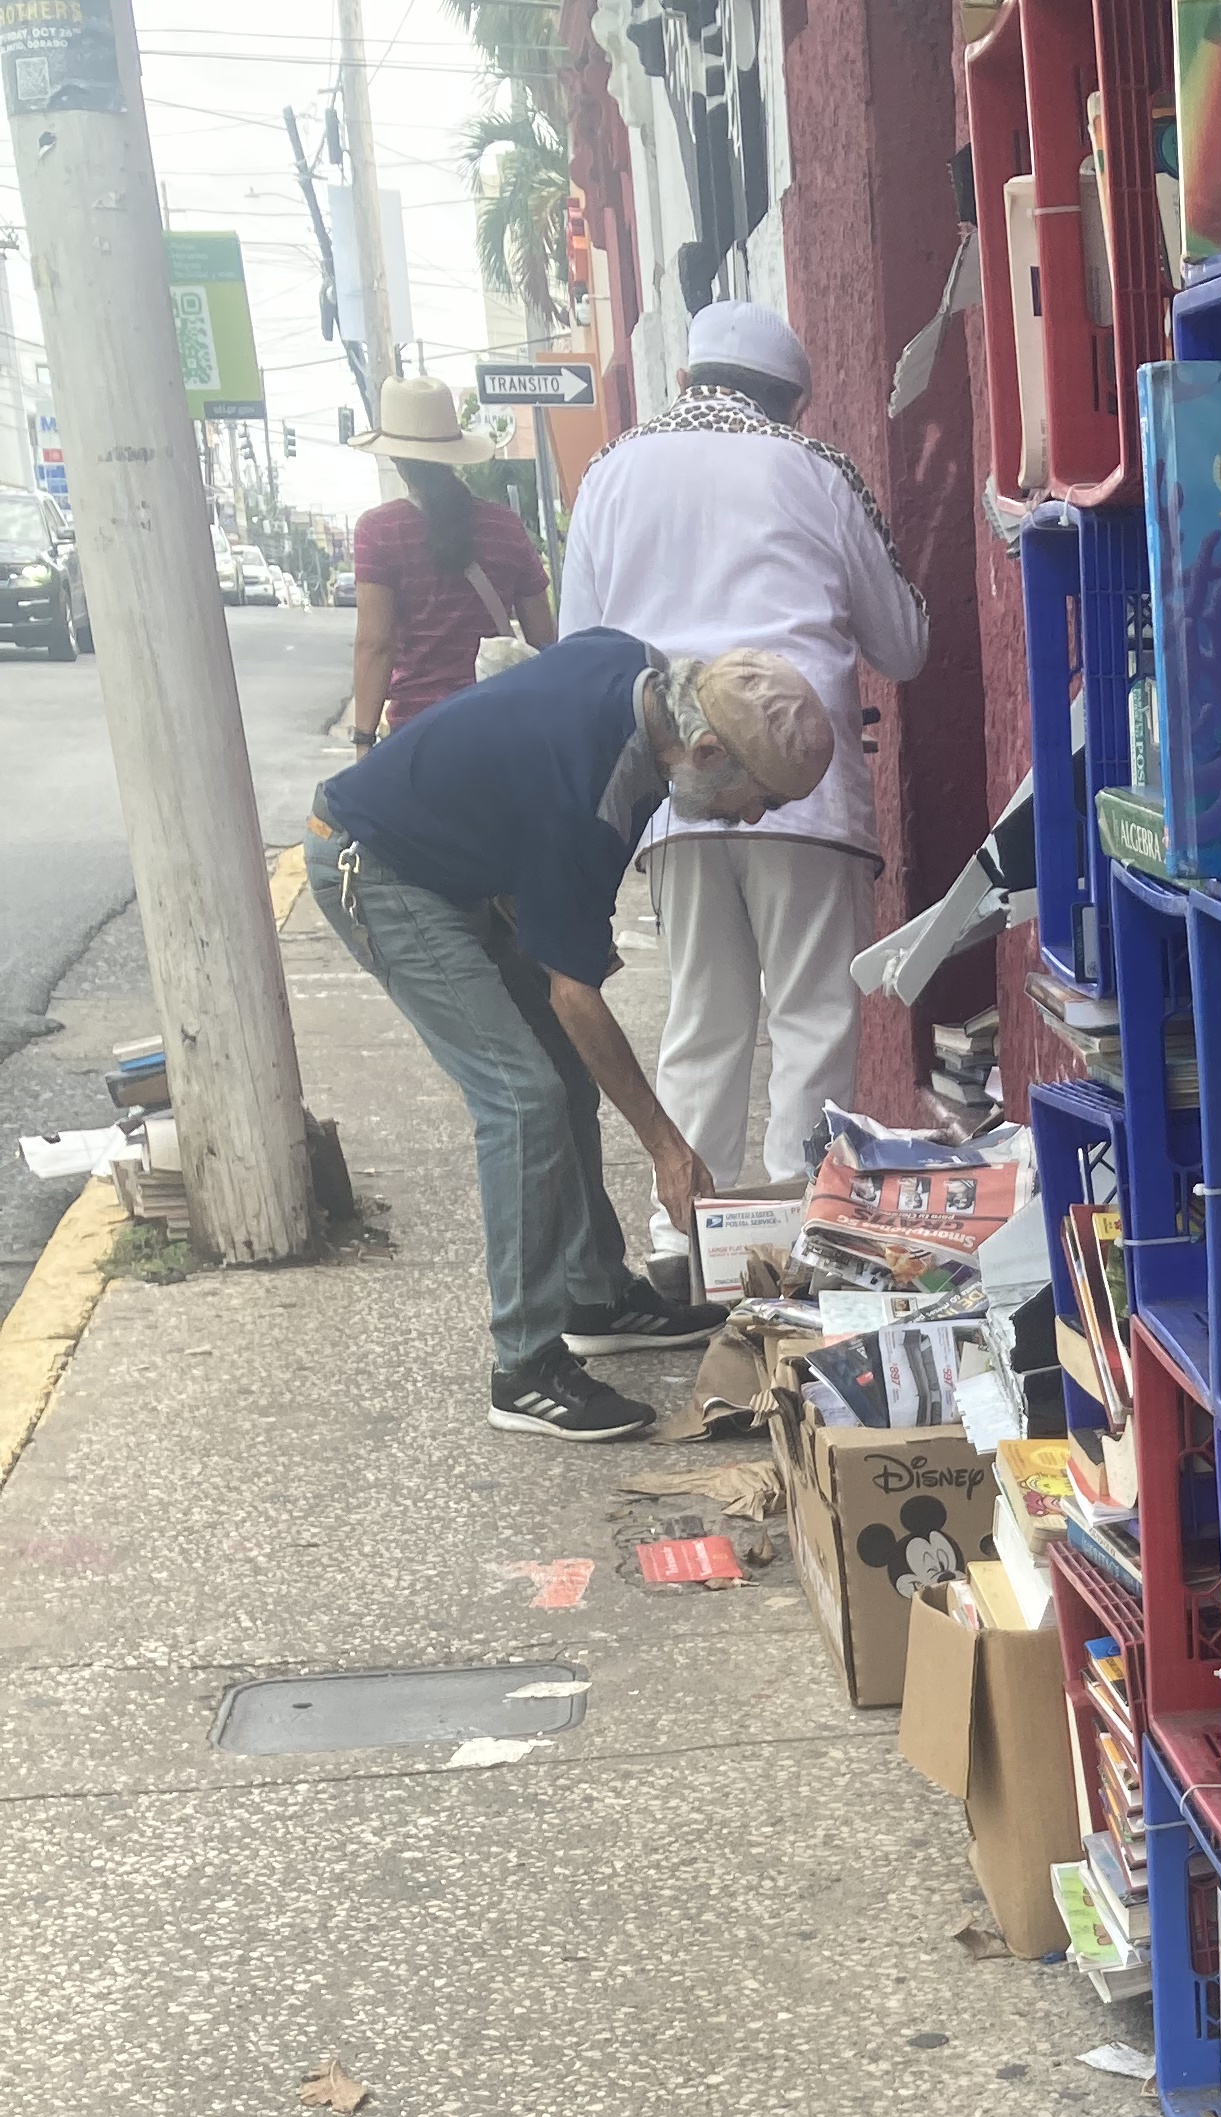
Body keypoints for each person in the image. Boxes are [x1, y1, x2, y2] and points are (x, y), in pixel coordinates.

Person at [307, 636, 834, 1443]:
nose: (753, 817)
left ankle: (594, 1297)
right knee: (523, 1099)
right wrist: (667, 1148)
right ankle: (523, 1368)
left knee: (567, 1076)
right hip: (380, 868)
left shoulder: (634, 665)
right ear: (704, 750)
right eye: (757, 797)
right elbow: (574, 995)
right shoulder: (592, 797)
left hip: (458, 865)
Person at [557, 299, 929, 1213]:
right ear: (794, 403)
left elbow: (578, 651)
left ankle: (684, 1237)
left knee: (703, 1020)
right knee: (812, 1018)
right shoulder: (816, 468)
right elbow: (906, 645)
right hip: (806, 790)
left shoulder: (609, 471)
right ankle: (805, 1234)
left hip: (671, 787)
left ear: (685, 381)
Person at [348, 376, 553, 741]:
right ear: (453, 455)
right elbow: (543, 641)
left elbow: (376, 646)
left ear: (396, 458)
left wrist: (363, 739)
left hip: (420, 734)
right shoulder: (504, 526)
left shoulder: (378, 531)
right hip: (501, 729)